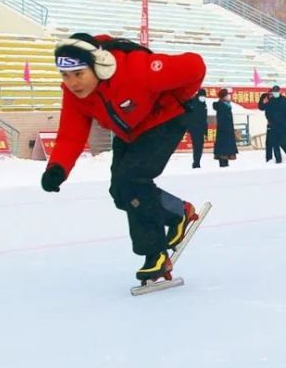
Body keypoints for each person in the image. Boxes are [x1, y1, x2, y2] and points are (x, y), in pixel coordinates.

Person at [40, 33, 206, 283]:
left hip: (166, 120)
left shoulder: (136, 70)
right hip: (130, 133)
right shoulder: (75, 95)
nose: (73, 83)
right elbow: (71, 135)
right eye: (66, 75)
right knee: (121, 192)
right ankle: (178, 213)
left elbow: (195, 67)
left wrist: (177, 99)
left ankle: (155, 256)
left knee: (132, 182)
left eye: (79, 74)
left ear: (100, 65)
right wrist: (57, 168)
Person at [264, 85, 286, 163]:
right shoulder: (270, 101)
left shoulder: (284, 100)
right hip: (274, 125)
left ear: (280, 92)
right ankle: (278, 159)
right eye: (274, 92)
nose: (275, 93)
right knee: (275, 143)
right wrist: (271, 120)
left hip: (284, 125)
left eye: (277, 91)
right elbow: (267, 112)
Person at [213, 88, 238, 167]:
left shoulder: (226, 105)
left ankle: (225, 163)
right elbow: (222, 120)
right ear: (224, 96)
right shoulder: (221, 106)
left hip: (227, 131)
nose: (229, 96)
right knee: (223, 150)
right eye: (227, 95)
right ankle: (223, 164)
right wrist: (227, 129)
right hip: (224, 131)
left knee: (226, 150)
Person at [185, 88, 208, 168]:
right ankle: (196, 162)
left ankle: (197, 161)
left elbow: (205, 118)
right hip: (194, 128)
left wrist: (206, 131)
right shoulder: (193, 102)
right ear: (198, 95)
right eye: (202, 96)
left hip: (201, 128)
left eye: (204, 96)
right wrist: (189, 127)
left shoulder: (204, 104)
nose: (203, 97)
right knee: (196, 145)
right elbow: (188, 116)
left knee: (200, 146)